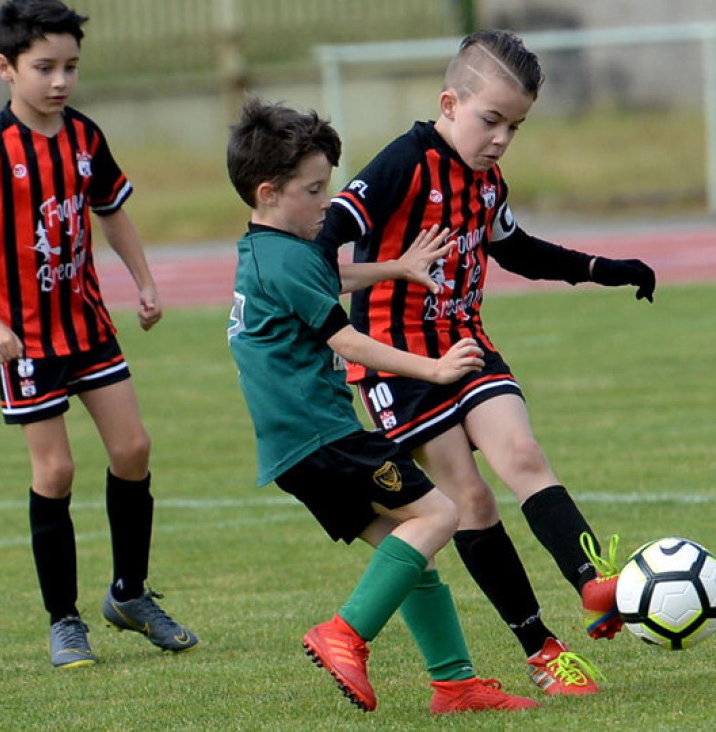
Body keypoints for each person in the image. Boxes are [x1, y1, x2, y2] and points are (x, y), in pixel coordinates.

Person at [315, 29, 656, 696]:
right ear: (450, 104)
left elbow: (516, 249)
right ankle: (542, 649)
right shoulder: (402, 164)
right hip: (399, 363)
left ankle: (593, 582)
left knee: (522, 452)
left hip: (466, 341)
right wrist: (368, 282)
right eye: (491, 120)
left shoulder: (486, 180)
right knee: (469, 497)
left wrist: (601, 268)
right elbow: (326, 238)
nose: (500, 139)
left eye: (515, 127)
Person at [225, 97, 540, 715]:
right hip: (325, 437)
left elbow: (324, 280)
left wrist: (396, 266)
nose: (327, 203)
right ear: (269, 192)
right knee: (441, 515)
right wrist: (434, 368)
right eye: (314, 191)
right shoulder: (286, 261)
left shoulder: (269, 249)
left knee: (410, 548)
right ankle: (345, 634)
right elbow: (345, 341)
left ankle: (455, 685)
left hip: (295, 447)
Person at [0, 0, 198, 668]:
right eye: (44, 67)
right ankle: (65, 621)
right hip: (24, 341)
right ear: (6, 67)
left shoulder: (84, 136)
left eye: (70, 67)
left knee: (133, 448)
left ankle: (129, 594)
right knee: (55, 470)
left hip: (87, 325)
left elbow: (112, 211)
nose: (60, 80)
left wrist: (144, 280)